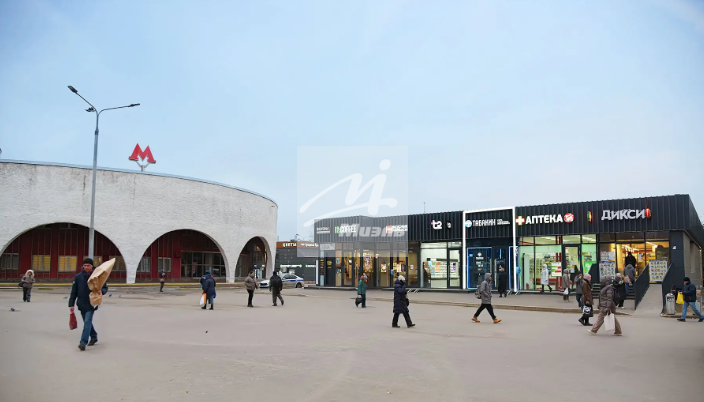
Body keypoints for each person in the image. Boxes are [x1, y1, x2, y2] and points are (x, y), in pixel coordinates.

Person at [68, 258, 108, 351]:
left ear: (92, 266)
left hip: (92, 303)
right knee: (87, 322)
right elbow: (74, 292)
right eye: (84, 265)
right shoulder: (78, 277)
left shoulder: (97, 276)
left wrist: (101, 291)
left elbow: (105, 287)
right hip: (81, 303)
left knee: (87, 322)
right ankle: (94, 336)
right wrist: (71, 304)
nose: (86, 267)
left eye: (88, 265)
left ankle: (83, 342)